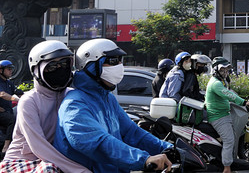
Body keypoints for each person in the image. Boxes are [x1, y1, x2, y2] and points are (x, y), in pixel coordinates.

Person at [54, 38, 171, 173]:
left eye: (120, 60)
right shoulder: (74, 105)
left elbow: (131, 132)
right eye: (113, 61)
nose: (119, 66)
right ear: (91, 66)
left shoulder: (107, 98)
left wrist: (165, 148)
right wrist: (144, 159)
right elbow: (99, 144)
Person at [0, 40, 90, 173]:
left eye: (64, 64)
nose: (59, 69)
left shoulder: (72, 95)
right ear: (37, 70)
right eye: (52, 66)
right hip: (22, 160)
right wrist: (80, 170)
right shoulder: (29, 101)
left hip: (57, 158)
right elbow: (39, 147)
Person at [205, 58, 249, 173]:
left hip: (224, 114)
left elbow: (231, 93)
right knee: (229, 140)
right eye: (222, 69)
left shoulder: (221, 81)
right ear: (215, 70)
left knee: (237, 135)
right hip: (218, 117)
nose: (225, 72)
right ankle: (226, 168)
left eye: (226, 69)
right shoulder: (216, 83)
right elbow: (228, 94)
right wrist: (243, 102)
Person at [0, 60, 23, 152]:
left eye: (11, 69)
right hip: (1, 112)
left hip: (7, 111)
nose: (11, 71)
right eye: (9, 69)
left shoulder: (9, 83)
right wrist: (17, 99)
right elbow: (2, 94)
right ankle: (6, 147)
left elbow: (18, 92)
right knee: (12, 119)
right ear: (1, 70)